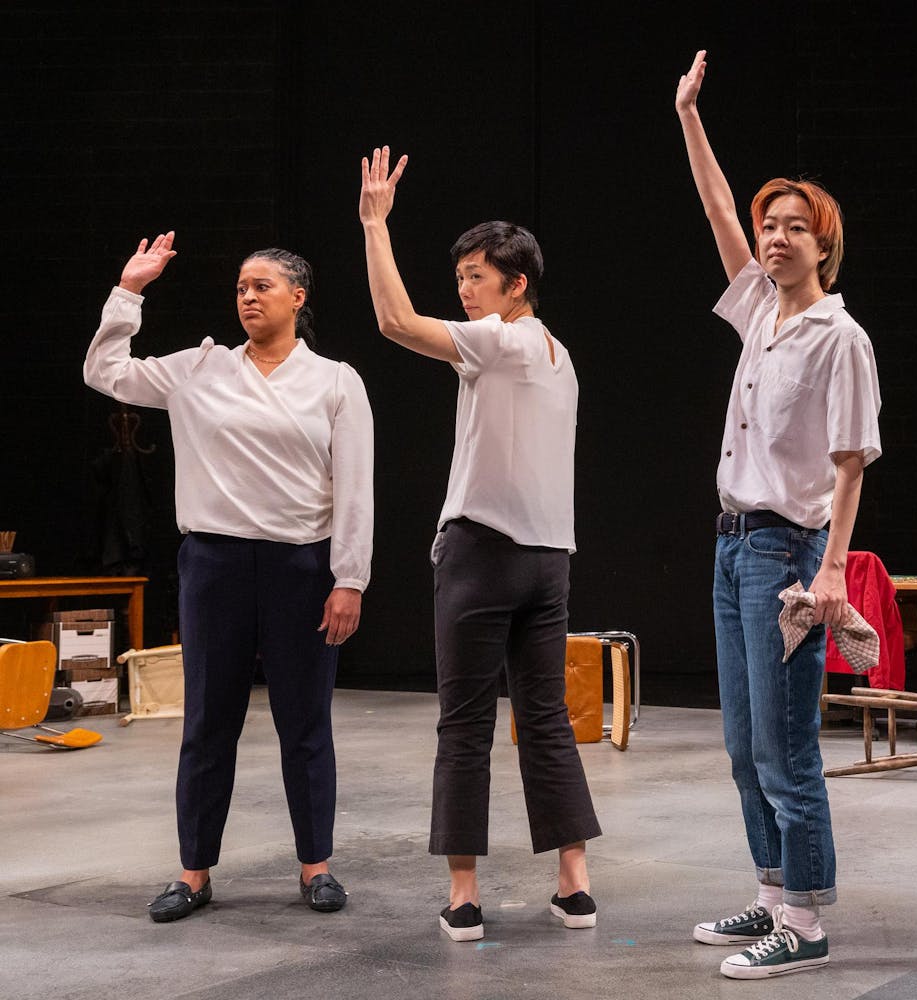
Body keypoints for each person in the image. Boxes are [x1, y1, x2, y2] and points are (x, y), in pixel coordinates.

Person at [84, 233, 373, 921]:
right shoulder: (199, 368)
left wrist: (349, 578)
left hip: (300, 566)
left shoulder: (335, 380)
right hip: (213, 563)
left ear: (298, 298)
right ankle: (193, 873)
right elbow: (104, 371)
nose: (247, 295)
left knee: (304, 723)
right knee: (208, 723)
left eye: (263, 285)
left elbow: (355, 489)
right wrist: (130, 290)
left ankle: (316, 867)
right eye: (241, 286)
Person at [358, 147, 602, 943]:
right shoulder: (560, 358)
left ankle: (463, 898)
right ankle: (574, 886)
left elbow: (394, 322)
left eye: (476, 277)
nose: (463, 290)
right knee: (546, 719)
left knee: (463, 722)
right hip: (549, 562)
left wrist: (373, 224)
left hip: (484, 553)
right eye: (459, 277)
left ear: (516, 284)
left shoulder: (506, 340)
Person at [675, 50, 882, 980]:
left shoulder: (841, 338)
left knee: (786, 742)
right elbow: (719, 210)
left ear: (824, 246)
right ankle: (769, 894)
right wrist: (690, 117)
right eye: (772, 226)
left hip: (788, 552)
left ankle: (804, 920)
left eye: (796, 228)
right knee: (740, 741)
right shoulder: (760, 311)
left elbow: (850, 467)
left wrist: (832, 570)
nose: (776, 237)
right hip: (732, 546)